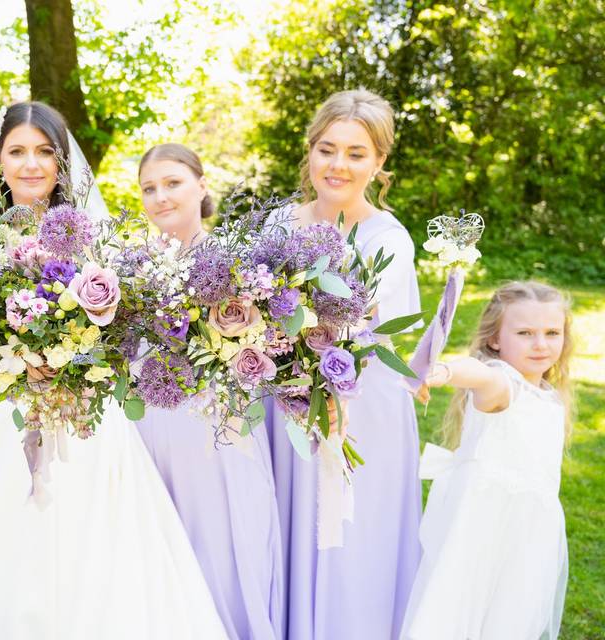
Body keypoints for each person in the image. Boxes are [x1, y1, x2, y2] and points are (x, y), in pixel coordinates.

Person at [0, 102, 226, 640]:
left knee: (92, 537)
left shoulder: (92, 235)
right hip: (2, 405)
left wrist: (67, 359)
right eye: (17, 151)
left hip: (82, 406)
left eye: (44, 151)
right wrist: (11, 357)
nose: (31, 164)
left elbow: (119, 331)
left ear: (61, 162)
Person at [265, 89, 422, 638]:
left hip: (362, 407)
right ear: (309, 152)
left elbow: (356, 325)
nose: (338, 165)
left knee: (351, 532)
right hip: (285, 398)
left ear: (380, 163)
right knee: (291, 522)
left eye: (357, 153)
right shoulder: (280, 223)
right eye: (327, 149)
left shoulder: (389, 239)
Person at [134, 143, 283, 639]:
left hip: (219, 427)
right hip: (153, 427)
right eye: (149, 188)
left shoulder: (237, 262)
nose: (161, 197)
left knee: (221, 539)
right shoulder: (133, 267)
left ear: (201, 184)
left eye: (173, 182)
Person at [401, 281, 571, 639]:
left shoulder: (548, 395)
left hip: (530, 531)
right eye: (525, 333)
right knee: (460, 610)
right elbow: (477, 373)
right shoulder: (504, 384)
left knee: (512, 615)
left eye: (552, 332)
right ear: (495, 339)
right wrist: (444, 371)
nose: (541, 344)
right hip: (486, 525)